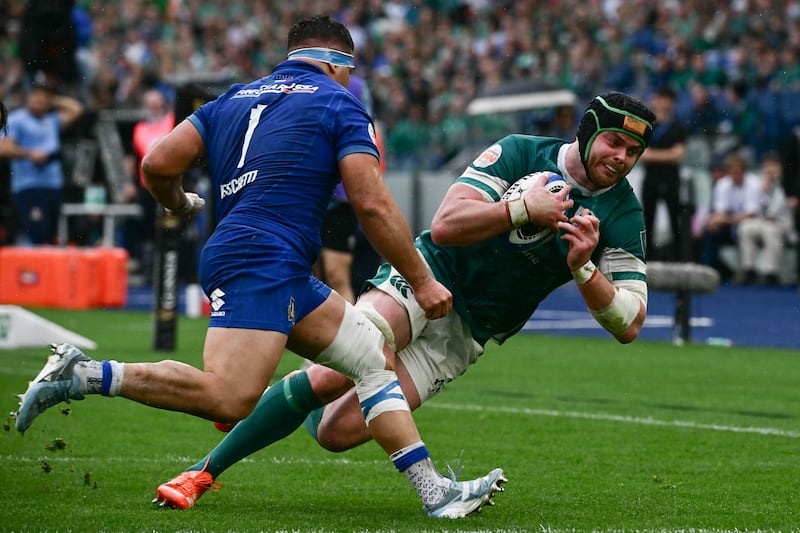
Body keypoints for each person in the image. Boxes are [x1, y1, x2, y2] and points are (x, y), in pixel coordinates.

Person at [13, 15, 504, 519]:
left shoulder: (231, 98)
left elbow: (158, 164)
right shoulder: (340, 102)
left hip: (265, 258)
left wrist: (179, 203)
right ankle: (85, 374)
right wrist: (422, 280)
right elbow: (372, 204)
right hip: (263, 257)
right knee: (229, 399)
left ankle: (433, 491)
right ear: (339, 66)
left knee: (372, 356)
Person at [145, 92, 655, 509]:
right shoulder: (522, 151)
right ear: (588, 130)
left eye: (633, 153)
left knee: (336, 430)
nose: (620, 158)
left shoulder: (622, 214)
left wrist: (584, 268)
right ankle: (200, 473)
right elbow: (450, 226)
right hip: (428, 273)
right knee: (335, 372)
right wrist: (523, 209)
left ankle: (271, 393)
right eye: (614, 142)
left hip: (471, 330)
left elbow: (629, 323)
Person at [0, 82, 83, 245]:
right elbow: (3, 148)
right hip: (29, 186)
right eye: (36, 95)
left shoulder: (51, 121)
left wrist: (53, 100)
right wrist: (30, 154)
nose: (40, 100)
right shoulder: (16, 119)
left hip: (53, 185)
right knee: (38, 233)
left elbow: (76, 109)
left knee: (52, 235)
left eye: (44, 97)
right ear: (27, 97)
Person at [125, 88, 175, 284]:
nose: (154, 106)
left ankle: (171, 273)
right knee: (147, 229)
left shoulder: (172, 122)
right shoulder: (140, 128)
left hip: (170, 183)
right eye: (150, 103)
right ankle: (149, 273)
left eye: (157, 102)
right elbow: (133, 158)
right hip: (146, 187)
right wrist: (129, 184)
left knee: (170, 228)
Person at [638, 85, 688, 261]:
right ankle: (647, 259)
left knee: (675, 218)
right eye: (660, 98)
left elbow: (678, 154)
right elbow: (643, 155)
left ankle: (679, 258)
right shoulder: (647, 125)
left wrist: (654, 155)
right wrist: (667, 155)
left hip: (670, 177)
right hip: (652, 177)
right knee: (648, 218)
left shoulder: (678, 125)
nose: (663, 103)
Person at [700, 152, 761, 281]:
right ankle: (710, 271)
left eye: (738, 172)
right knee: (711, 230)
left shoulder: (753, 183)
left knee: (745, 227)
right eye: (733, 172)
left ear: (744, 171)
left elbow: (751, 214)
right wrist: (716, 221)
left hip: (751, 225)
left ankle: (747, 273)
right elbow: (720, 212)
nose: (736, 175)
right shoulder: (723, 184)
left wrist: (725, 219)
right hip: (732, 225)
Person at [736, 152, 793, 286]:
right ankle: (748, 269)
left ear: (780, 167)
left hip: (783, 223)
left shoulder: (787, 181)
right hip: (764, 221)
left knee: (770, 229)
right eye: (766, 166)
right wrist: (763, 189)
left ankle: (770, 272)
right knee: (745, 227)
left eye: (773, 166)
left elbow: (778, 208)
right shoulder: (759, 182)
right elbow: (754, 207)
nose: (769, 169)